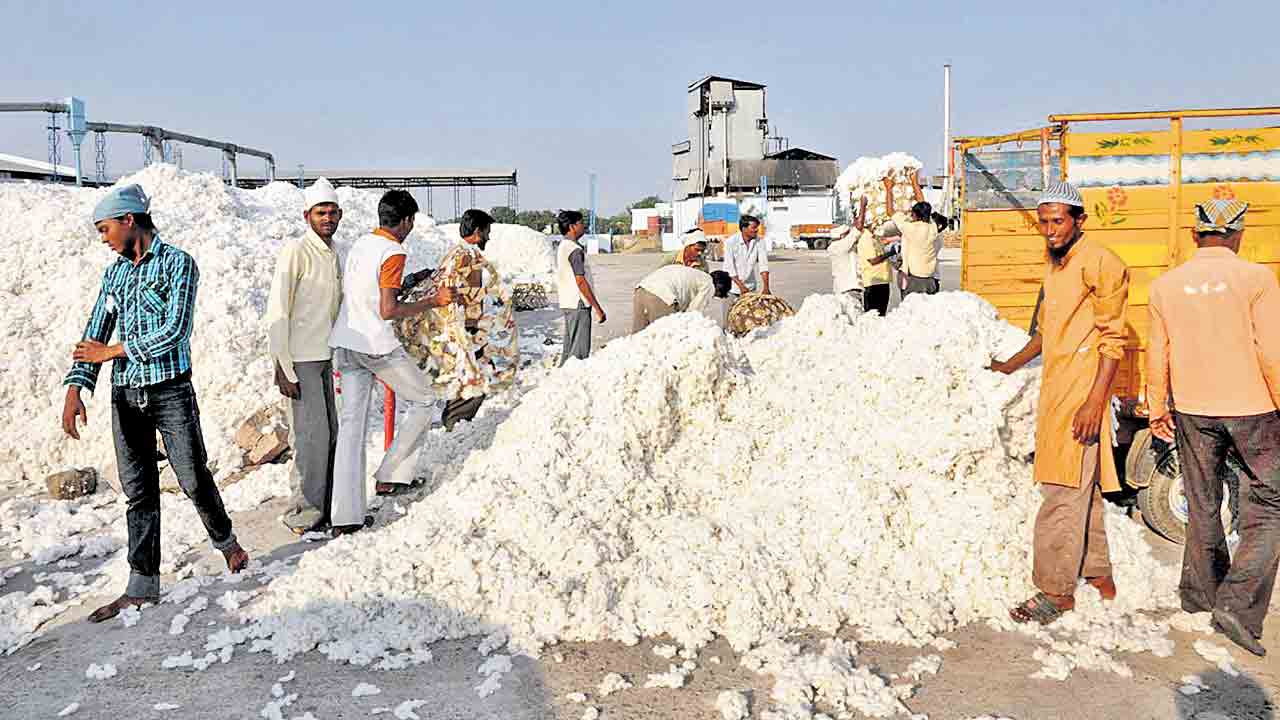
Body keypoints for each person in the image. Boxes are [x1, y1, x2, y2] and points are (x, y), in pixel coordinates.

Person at [61, 184, 248, 622]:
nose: (103, 238)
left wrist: (113, 352)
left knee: (193, 477)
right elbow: (95, 333)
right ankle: (141, 585)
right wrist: (76, 387)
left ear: (129, 221)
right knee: (138, 492)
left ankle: (226, 543)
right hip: (125, 396)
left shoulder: (178, 264)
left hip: (170, 392)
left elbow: (175, 331)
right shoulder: (115, 274)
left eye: (105, 229)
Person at [989, 182, 1129, 625]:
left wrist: (1093, 403)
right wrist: (1009, 366)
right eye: (1044, 222)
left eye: (1058, 221)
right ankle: (1099, 575)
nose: (1049, 230)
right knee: (1077, 491)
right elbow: (1049, 332)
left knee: (1060, 494)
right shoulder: (1057, 263)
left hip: (1080, 394)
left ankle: (1055, 592)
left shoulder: (1102, 263)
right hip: (1057, 391)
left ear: (1079, 220)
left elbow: (1113, 340)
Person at [1146, 199, 1280, 657]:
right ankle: (1238, 608)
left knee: (1203, 503)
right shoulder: (1257, 279)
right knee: (1269, 504)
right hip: (1252, 410)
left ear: (1195, 235)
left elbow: (1156, 351)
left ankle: (1199, 595)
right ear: (1238, 234)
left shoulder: (1166, 285)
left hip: (1192, 409)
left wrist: (1156, 405)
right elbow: (1271, 351)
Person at [327, 190, 455, 531]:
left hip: (346, 340)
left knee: (352, 426)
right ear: (407, 220)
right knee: (424, 399)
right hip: (375, 344)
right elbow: (388, 309)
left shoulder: (361, 243)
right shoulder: (394, 251)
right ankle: (391, 475)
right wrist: (434, 300)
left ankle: (345, 516)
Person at [265, 178, 343, 535]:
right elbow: (278, 310)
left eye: (331, 212)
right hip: (300, 360)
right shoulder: (296, 251)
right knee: (309, 439)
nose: (327, 218)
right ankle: (302, 513)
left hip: (325, 357)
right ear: (307, 216)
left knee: (328, 436)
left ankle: (326, 508)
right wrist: (282, 365)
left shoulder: (333, 253)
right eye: (320, 212)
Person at [438, 209, 497, 430]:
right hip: (464, 329)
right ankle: (454, 424)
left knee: (473, 377)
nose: (488, 237)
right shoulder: (466, 255)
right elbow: (452, 291)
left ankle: (456, 423)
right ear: (477, 230)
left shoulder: (457, 253)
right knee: (475, 380)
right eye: (487, 232)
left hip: (464, 328)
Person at [632, 230, 725, 332]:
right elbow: (695, 309)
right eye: (697, 250)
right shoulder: (671, 258)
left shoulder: (703, 266)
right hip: (664, 295)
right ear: (687, 246)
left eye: (702, 251)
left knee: (640, 335)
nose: (700, 254)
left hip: (642, 288)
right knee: (666, 336)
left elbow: (694, 294)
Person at [555, 210, 605, 364]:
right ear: (572, 226)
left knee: (570, 349)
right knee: (579, 354)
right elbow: (581, 282)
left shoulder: (563, 246)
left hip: (567, 302)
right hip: (579, 304)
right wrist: (598, 308)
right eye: (581, 223)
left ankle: (561, 382)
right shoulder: (575, 251)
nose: (584, 226)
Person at [884, 172, 941, 297]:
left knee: (912, 312)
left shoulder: (910, 228)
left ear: (915, 215)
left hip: (914, 280)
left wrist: (888, 189)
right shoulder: (933, 227)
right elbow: (923, 205)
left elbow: (890, 211)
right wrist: (914, 181)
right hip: (930, 280)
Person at [721, 214, 771, 296]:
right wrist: (741, 287)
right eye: (754, 227)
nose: (757, 230)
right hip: (732, 288)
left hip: (750, 287)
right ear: (744, 229)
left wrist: (766, 288)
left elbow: (763, 265)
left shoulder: (759, 241)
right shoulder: (730, 242)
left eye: (757, 227)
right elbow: (729, 268)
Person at [859, 210, 897, 316]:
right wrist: (890, 253)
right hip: (874, 282)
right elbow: (873, 260)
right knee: (873, 316)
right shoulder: (866, 239)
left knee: (881, 314)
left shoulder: (875, 238)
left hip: (882, 281)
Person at [827, 198, 863, 304]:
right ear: (842, 236)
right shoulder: (841, 246)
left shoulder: (835, 247)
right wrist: (863, 206)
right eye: (847, 233)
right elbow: (859, 228)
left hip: (841, 288)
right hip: (849, 289)